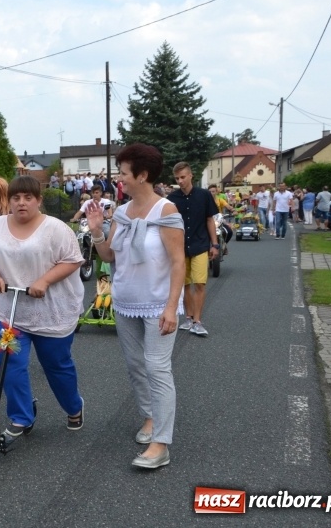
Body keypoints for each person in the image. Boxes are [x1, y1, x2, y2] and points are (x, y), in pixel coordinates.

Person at [85, 143, 184, 469]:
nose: (120, 179)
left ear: (142, 175)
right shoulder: (123, 213)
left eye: (124, 174)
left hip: (158, 303)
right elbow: (110, 256)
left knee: (157, 367)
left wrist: (172, 307)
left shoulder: (166, 212)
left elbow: (178, 262)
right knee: (136, 365)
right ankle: (150, 417)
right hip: (126, 302)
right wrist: (98, 231)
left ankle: (161, 443)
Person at [0, 175, 85, 444]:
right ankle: (22, 416)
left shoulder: (57, 229)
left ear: (38, 200)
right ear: (8, 200)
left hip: (50, 311)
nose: (21, 203)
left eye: (28, 198)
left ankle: (73, 406)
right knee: (9, 363)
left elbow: (72, 261)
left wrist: (44, 280)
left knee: (56, 366)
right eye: (16, 197)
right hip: (7, 310)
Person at [167, 162, 218, 337]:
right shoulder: (172, 199)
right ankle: (188, 318)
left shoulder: (204, 195)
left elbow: (210, 220)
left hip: (200, 244)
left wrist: (215, 244)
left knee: (199, 283)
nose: (180, 181)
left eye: (182, 177)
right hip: (180, 248)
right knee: (185, 285)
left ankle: (197, 321)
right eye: (177, 178)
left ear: (190, 176)